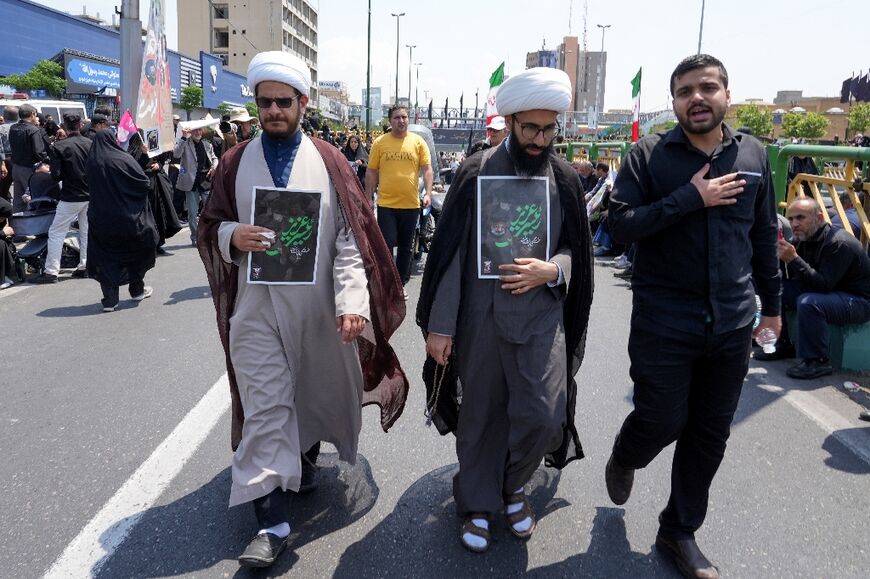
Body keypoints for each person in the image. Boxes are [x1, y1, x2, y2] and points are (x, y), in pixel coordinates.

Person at [197, 50, 408, 569]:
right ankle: (271, 521)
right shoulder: (232, 162)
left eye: (283, 102)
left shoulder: (332, 161)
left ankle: (305, 455)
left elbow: (351, 239)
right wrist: (232, 235)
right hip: (258, 308)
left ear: (302, 103)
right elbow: (208, 226)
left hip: (317, 309)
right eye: (265, 102)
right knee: (265, 407)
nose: (273, 110)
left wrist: (352, 302)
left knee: (312, 392)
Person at [605, 54, 781, 578]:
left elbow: (763, 238)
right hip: (664, 321)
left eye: (707, 88)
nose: (696, 98)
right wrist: (690, 198)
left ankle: (678, 532)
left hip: (731, 324)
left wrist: (772, 310)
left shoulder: (754, 154)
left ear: (727, 93)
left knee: (709, 433)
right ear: (674, 100)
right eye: (685, 91)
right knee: (661, 419)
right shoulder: (649, 155)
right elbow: (618, 227)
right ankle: (625, 452)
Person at [417, 66, 594, 554]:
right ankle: (476, 503)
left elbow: (577, 250)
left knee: (545, 413)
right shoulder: (476, 172)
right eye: (530, 128)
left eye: (549, 128)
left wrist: (551, 270)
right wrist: (441, 325)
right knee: (481, 414)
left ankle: (512, 486)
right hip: (480, 317)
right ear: (511, 121)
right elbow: (449, 254)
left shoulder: (564, 179)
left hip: (540, 315)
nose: (540, 138)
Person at [757, 197, 870, 379]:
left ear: (818, 218)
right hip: (832, 293)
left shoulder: (838, 243)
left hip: (859, 301)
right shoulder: (803, 239)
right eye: (791, 219)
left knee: (809, 302)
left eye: (800, 218)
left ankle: (818, 361)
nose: (794, 224)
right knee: (773, 287)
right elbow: (796, 278)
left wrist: (794, 259)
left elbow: (823, 285)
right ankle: (782, 343)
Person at [85, 130, 159, 312]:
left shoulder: (91, 162)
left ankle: (110, 299)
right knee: (133, 253)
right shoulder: (122, 158)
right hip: (127, 217)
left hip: (101, 219)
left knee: (105, 258)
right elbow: (143, 182)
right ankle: (137, 290)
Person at [365, 105, 433, 296]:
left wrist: (428, 193)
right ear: (390, 120)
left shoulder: (418, 143)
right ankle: (386, 285)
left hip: (411, 205)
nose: (401, 120)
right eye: (397, 117)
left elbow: (427, 169)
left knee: (406, 249)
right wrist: (368, 197)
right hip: (386, 205)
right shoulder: (380, 143)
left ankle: (399, 286)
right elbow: (371, 171)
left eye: (404, 117)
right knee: (386, 247)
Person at [31, 114, 91, 283]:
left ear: (64, 125)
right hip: (90, 194)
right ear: (80, 125)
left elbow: (56, 176)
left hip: (71, 195)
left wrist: (46, 171)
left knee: (56, 232)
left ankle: (51, 271)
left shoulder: (59, 146)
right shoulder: (90, 143)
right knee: (86, 231)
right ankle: (85, 266)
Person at [174, 126, 218, 246]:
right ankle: (195, 237)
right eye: (195, 130)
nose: (197, 132)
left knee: (211, 211)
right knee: (192, 213)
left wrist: (214, 167)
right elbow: (176, 154)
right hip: (191, 183)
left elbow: (214, 158)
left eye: (199, 130)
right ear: (190, 132)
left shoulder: (207, 144)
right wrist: (183, 137)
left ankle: (210, 235)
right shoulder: (185, 143)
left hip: (206, 182)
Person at [8, 104, 50, 214]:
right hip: (29, 169)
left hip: (16, 168)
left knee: (17, 200)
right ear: (32, 114)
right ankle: (34, 226)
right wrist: (47, 161)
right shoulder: (33, 130)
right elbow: (39, 152)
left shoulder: (13, 128)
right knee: (34, 198)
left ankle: (17, 226)